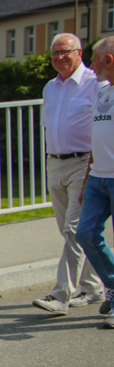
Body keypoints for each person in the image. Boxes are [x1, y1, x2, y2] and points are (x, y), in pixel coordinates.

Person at [33, 33, 104, 315]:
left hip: (83, 162)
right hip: (55, 162)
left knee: (74, 229)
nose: (59, 57)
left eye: (65, 52)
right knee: (71, 231)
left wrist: (94, 165)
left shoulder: (94, 83)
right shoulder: (50, 87)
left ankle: (61, 294)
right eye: (54, 53)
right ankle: (92, 285)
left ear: (79, 52)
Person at [76, 37, 114, 328]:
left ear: (109, 60)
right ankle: (112, 285)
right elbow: (97, 138)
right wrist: (89, 175)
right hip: (98, 178)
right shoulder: (104, 92)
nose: (91, 64)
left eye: (94, 58)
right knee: (86, 234)